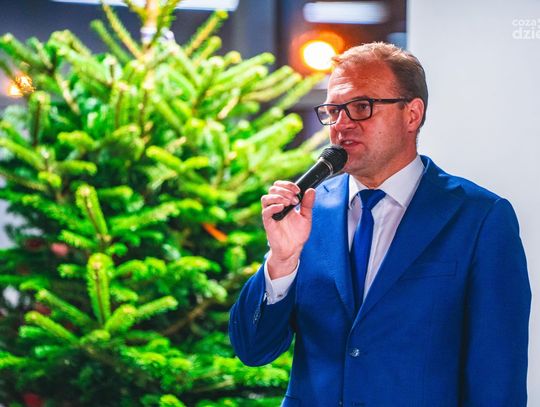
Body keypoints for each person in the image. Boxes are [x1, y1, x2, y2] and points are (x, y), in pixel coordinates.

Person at [228, 42, 531, 407]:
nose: (342, 124)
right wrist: (281, 261)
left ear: (412, 114)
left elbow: (497, 378)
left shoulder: (479, 217)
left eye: (361, 107)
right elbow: (253, 349)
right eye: (333, 110)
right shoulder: (307, 212)